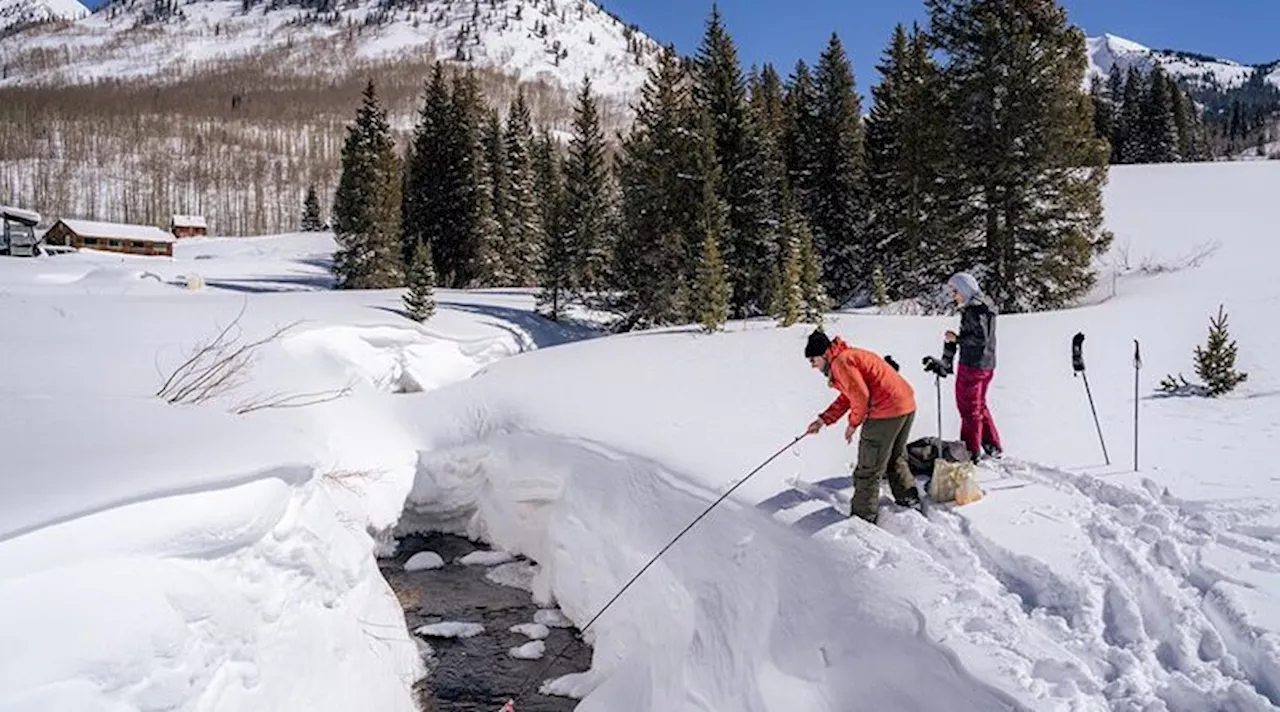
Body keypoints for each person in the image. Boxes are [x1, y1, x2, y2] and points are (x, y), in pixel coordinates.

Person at [803, 328, 922, 524]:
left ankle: (862, 519)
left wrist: (853, 424)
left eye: (812, 360)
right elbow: (848, 396)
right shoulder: (846, 356)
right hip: (905, 405)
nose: (812, 366)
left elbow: (860, 397)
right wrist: (823, 420)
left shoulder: (841, 363)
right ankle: (909, 499)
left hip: (886, 411)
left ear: (824, 354)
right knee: (895, 457)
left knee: (869, 468)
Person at [943, 272, 1003, 461]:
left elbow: (979, 338)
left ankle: (970, 451)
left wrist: (957, 339)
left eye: (955, 291)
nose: (954, 296)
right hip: (987, 364)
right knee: (979, 406)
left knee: (968, 409)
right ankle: (991, 445)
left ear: (965, 289)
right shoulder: (984, 306)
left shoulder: (973, 310)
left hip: (973, 365)